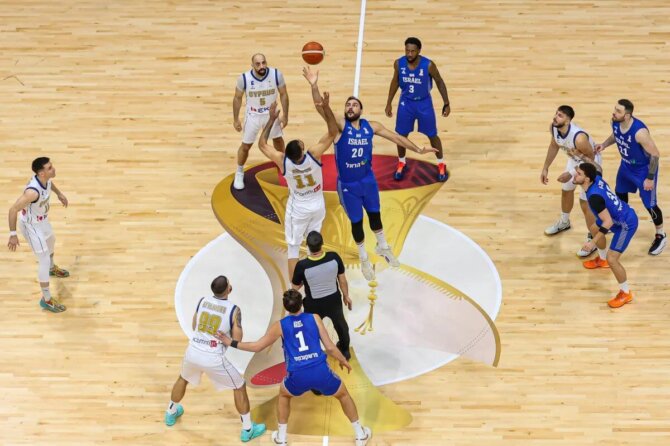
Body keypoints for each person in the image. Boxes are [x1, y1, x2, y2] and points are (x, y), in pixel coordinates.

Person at [303, 66, 437, 281]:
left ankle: (382, 246)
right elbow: (321, 109)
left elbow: (397, 138)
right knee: (357, 223)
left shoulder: (371, 126)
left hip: (368, 180)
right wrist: (314, 85)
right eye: (347, 105)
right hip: (348, 186)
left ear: (361, 110)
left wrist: (419, 149)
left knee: (375, 216)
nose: (350, 107)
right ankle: (364, 257)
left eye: (354, 104)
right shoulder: (340, 126)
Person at [215, 289, 372, 446]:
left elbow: (257, 346)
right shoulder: (314, 318)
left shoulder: (280, 326)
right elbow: (330, 347)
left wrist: (230, 342)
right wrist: (343, 360)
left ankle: (281, 438)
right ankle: (360, 434)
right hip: (320, 370)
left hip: (297, 374)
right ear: (302, 303)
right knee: (343, 395)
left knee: (284, 395)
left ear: (285, 307)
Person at [165, 276, 266, 442]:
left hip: (193, 350)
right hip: (213, 357)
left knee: (183, 378)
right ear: (229, 289)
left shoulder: (202, 301)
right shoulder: (234, 309)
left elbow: (194, 326)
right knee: (239, 386)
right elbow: (237, 339)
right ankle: (248, 429)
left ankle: (170, 412)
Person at [257, 76, 338, 279]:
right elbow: (333, 131)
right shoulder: (314, 155)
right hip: (317, 206)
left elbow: (262, 145)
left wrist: (271, 119)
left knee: (293, 248)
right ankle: (317, 279)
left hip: (298, 209)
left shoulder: (283, 161)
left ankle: (294, 288)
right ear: (302, 151)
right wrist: (326, 109)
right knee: (314, 244)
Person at [595, 99, 665, 255]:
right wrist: (604, 144)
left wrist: (650, 178)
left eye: (618, 111)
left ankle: (661, 235)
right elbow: (616, 135)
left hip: (643, 170)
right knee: (619, 194)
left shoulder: (640, 132)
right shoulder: (615, 122)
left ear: (627, 116)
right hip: (626, 166)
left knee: (650, 205)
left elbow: (655, 154)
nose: (614, 113)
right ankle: (621, 222)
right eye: (615, 109)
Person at [7, 157, 69, 313]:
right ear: (41, 173)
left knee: (51, 241)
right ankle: (46, 300)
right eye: (50, 168)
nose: (53, 169)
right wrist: (13, 234)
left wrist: (59, 193)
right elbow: (13, 210)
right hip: (31, 226)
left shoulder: (45, 179)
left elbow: (49, 184)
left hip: (42, 220)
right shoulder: (32, 192)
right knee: (43, 259)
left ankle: (51, 268)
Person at [385, 37, 451, 182]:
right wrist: (389, 102)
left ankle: (441, 164)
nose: (409, 54)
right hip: (406, 103)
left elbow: (439, 81)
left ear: (419, 51)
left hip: (424, 103)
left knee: (432, 135)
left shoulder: (428, 65)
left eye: (412, 51)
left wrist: (446, 103)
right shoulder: (398, 64)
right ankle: (401, 162)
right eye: (407, 51)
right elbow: (395, 82)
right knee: (401, 135)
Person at [573, 163, 638, 308]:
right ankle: (602, 260)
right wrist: (584, 158)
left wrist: (592, 243)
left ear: (587, 179)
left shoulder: (594, 197)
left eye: (579, 174)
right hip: (618, 217)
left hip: (626, 224)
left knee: (612, 259)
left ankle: (625, 293)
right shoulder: (596, 178)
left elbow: (608, 222)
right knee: (593, 228)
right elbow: (598, 169)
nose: (575, 175)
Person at [541, 105, 601, 257]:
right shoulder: (554, 128)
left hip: (590, 164)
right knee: (566, 190)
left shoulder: (579, 138)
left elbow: (590, 160)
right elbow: (553, 145)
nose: (555, 117)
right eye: (556, 113)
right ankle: (564, 222)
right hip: (574, 160)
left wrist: (571, 173)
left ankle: (593, 238)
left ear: (568, 121)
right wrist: (546, 167)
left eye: (560, 115)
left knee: (585, 203)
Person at [232, 53, 290, 190]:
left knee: (278, 140)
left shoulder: (276, 74)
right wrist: (236, 119)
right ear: (252, 65)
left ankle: (283, 165)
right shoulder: (244, 78)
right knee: (246, 145)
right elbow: (237, 98)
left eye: (264, 62)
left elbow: (284, 94)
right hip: (253, 115)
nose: (262, 66)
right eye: (258, 64)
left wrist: (285, 115)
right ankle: (239, 171)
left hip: (271, 114)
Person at [292, 231, 352, 360]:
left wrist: (305, 280)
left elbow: (294, 288)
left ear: (307, 246)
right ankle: (345, 351)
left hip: (313, 304)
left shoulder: (302, 266)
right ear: (322, 243)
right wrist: (346, 296)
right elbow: (342, 280)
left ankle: (314, 354)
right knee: (341, 325)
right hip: (333, 300)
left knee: (311, 329)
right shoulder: (334, 257)